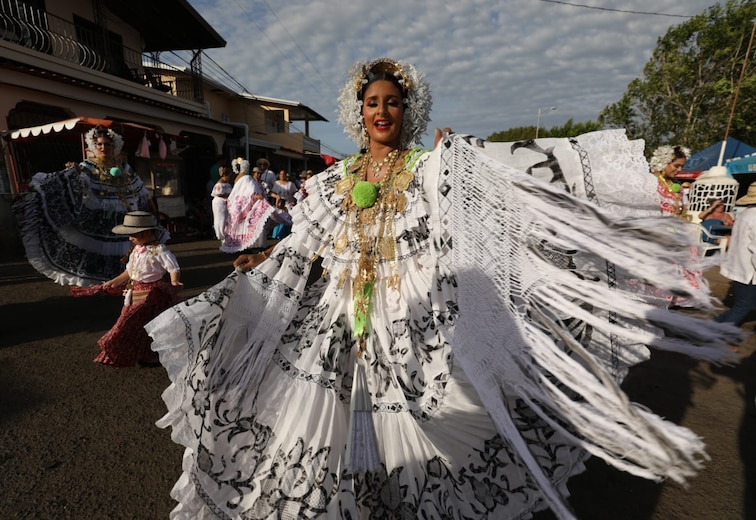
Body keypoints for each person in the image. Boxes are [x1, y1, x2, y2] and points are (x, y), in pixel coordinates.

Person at [146, 58, 737, 519]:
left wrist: (459, 165)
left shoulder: (427, 168)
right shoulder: (334, 179)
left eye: (392, 102)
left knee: (416, 419)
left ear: (408, 110)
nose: (382, 111)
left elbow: (492, 197)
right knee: (326, 421)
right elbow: (308, 241)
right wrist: (262, 256)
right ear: (358, 113)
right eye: (372, 103)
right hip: (338, 315)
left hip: (406, 312)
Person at [13, 125, 156, 286]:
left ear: (114, 146)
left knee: (127, 247)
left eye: (107, 144)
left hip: (124, 216)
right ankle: (107, 281)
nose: (103, 147)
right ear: (94, 146)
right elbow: (78, 186)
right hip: (100, 217)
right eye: (99, 144)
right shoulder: (88, 167)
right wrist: (73, 172)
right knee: (101, 249)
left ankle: (125, 279)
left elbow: (139, 190)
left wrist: (148, 209)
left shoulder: (124, 167)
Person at [96, 211, 182, 367]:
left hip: (152, 295)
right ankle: (137, 353)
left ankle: (150, 355)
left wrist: (174, 281)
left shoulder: (160, 250)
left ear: (147, 233)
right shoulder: (136, 249)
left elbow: (173, 267)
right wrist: (115, 281)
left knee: (147, 324)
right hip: (134, 292)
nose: (130, 238)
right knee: (136, 324)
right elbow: (130, 271)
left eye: (133, 235)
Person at [220, 165, 288, 253]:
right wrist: (255, 196)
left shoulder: (262, 184)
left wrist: (276, 196)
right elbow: (248, 192)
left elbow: (268, 192)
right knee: (252, 226)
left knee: (261, 226)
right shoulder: (249, 181)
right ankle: (252, 246)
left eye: (260, 173)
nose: (259, 175)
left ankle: (260, 246)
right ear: (253, 173)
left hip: (260, 206)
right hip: (252, 207)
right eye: (257, 173)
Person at [714, 184, 756, 327]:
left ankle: (713, 325)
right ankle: (716, 332)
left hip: (740, 266)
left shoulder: (746, 213)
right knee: (743, 307)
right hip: (749, 271)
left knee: (742, 305)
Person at [650, 144, 691, 217]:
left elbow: (685, 210)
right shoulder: (650, 183)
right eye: (676, 166)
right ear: (664, 163)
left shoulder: (677, 186)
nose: (680, 170)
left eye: (682, 166)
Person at [210, 165, 234, 241]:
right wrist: (228, 195)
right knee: (221, 218)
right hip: (220, 203)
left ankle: (226, 233)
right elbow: (218, 194)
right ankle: (220, 234)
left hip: (225, 202)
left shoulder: (227, 184)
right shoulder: (219, 184)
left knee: (225, 218)